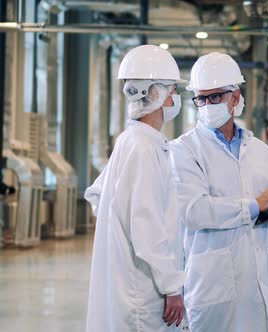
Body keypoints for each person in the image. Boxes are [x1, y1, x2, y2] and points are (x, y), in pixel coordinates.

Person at [170, 52, 268, 332]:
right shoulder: (184, 150)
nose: (207, 105)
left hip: (260, 282)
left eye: (216, 97)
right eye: (201, 98)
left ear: (236, 97)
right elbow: (195, 212)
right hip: (213, 288)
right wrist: (254, 205)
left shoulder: (259, 151)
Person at [84, 45, 186, 332]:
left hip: (128, 279)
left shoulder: (132, 141)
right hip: (144, 290)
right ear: (155, 95)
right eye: (173, 91)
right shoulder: (143, 148)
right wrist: (172, 286)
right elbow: (147, 228)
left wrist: (114, 229)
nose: (176, 98)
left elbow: (97, 195)